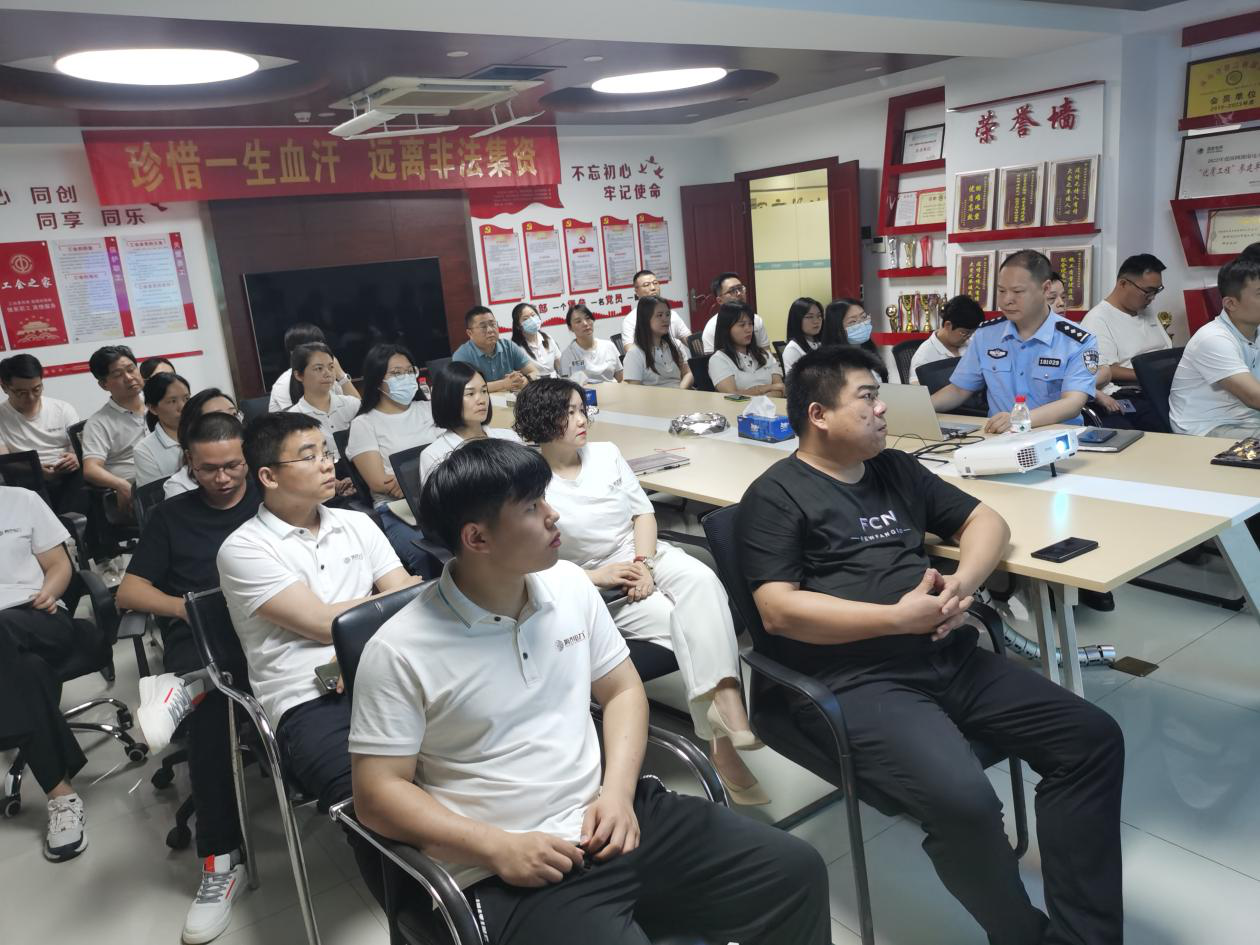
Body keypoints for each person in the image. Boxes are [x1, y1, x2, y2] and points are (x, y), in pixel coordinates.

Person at [348, 438, 830, 945]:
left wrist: (616, 793)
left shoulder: (569, 585)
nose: (553, 514)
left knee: (794, 871)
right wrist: (495, 848)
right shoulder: (400, 649)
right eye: (531, 507)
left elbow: (621, 690)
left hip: (611, 815)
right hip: (507, 862)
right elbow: (377, 795)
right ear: (477, 538)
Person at [739, 344, 1125, 945]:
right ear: (818, 414)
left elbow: (986, 521)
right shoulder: (776, 495)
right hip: (855, 680)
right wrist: (896, 619)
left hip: (945, 650)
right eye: (867, 398)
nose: (882, 410)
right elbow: (778, 611)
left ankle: (1088, 936)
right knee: (965, 803)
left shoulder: (894, 469)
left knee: (1091, 739)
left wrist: (960, 588)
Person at [513, 379, 763, 802]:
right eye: (569, 413)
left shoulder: (606, 454)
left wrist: (644, 564)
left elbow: (643, 514)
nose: (581, 420)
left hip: (645, 554)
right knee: (682, 624)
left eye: (582, 410)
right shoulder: (530, 480)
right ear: (542, 420)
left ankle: (728, 704)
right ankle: (722, 744)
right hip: (598, 582)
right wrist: (599, 576)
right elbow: (532, 562)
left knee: (703, 580)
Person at [216, 412, 419, 892]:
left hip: (387, 668)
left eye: (326, 452)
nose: (329, 464)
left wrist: (358, 638)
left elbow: (408, 602)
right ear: (268, 476)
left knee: (469, 750)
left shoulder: (356, 523)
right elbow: (322, 623)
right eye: (309, 457)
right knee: (372, 805)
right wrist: (372, 615)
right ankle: (412, 911)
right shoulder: (243, 549)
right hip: (309, 698)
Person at [118, 412, 261, 943]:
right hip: (199, 630)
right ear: (189, 465)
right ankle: (221, 862)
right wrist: (186, 607)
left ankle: (192, 687)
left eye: (233, 466)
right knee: (211, 718)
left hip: (267, 625)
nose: (222, 479)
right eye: (208, 469)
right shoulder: (171, 516)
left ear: (249, 460)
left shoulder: (271, 499)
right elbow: (129, 593)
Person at [0, 487, 88, 862]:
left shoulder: (22, 501)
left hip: (40, 615)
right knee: (28, 671)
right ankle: (61, 795)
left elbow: (59, 565)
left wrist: (50, 593)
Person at [931, 250, 1100, 432]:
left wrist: (1019, 420)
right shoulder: (986, 335)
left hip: (1056, 439)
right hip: (998, 439)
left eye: (1018, 292)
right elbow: (959, 390)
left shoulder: (1077, 341)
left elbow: (1073, 403)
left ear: (1045, 289)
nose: (1006, 300)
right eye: (1001, 291)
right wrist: (919, 407)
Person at [347, 343, 437, 574]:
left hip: (441, 496)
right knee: (427, 554)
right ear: (378, 380)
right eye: (396, 374)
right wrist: (435, 473)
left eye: (409, 371)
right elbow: (380, 483)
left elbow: (453, 455)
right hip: (397, 508)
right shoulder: (364, 423)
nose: (405, 378)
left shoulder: (429, 409)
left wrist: (408, 480)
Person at [1170, 255, 1260, 438]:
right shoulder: (1213, 339)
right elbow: (1254, 397)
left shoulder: (1255, 331)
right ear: (1231, 303)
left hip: (1248, 420)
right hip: (1209, 427)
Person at [1082, 254, 1173, 431]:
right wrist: (1152, 375)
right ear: (1123, 284)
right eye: (1148, 291)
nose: (1152, 297)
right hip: (1127, 394)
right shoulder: (1098, 319)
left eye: (1157, 291)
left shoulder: (1146, 311)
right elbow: (1108, 369)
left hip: (1160, 387)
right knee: (1167, 426)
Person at [0, 354, 83, 514]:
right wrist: (36, 470)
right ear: (4, 387)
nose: (31, 397)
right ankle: (65, 526)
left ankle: (67, 525)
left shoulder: (62, 409)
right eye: (21, 392)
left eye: (36, 389)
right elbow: (5, 461)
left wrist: (75, 458)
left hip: (69, 476)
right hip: (27, 480)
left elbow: (79, 449)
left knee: (86, 474)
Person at [419, 361, 523, 486]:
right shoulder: (435, 455)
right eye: (470, 394)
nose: (482, 400)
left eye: (484, 391)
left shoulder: (509, 437)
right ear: (448, 399)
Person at [81, 345, 148, 519]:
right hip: (139, 492)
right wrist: (121, 484)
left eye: (131, 369)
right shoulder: (99, 423)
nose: (129, 377)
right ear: (104, 384)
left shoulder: (158, 403)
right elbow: (91, 469)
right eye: (118, 375)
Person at [286, 342, 358, 498]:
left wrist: (357, 479)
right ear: (299, 375)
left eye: (331, 367)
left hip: (360, 476)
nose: (328, 373)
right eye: (319, 369)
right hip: (319, 488)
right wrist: (335, 483)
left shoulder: (352, 405)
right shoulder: (293, 418)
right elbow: (299, 465)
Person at [164, 389, 241, 499]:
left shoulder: (254, 463)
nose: (231, 424)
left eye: (234, 415)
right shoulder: (180, 487)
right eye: (217, 418)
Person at [267, 323, 357, 413]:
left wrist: (340, 374)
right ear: (293, 352)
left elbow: (357, 409)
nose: (321, 350)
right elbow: (296, 419)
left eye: (321, 345)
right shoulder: (285, 383)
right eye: (313, 347)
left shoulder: (326, 374)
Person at [452, 306, 540, 393]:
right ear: (470, 333)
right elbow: (464, 387)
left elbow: (535, 372)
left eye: (492, 324)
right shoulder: (462, 355)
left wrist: (525, 380)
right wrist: (503, 384)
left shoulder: (509, 346)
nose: (490, 330)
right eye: (483, 327)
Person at [709, 302, 784, 396]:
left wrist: (762, 397)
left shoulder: (765, 355)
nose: (748, 329)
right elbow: (732, 396)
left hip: (772, 405)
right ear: (727, 329)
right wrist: (766, 388)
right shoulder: (719, 359)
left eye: (750, 324)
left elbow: (780, 388)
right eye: (742, 325)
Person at [621, 296, 694, 388]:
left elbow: (688, 373)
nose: (665, 319)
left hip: (679, 393)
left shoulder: (676, 344)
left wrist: (680, 390)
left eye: (667, 314)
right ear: (646, 319)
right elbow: (635, 391)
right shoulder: (635, 353)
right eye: (659, 315)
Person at [133, 371, 190, 487]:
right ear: (153, 408)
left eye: (187, 398)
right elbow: (154, 495)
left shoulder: (205, 432)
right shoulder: (145, 450)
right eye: (172, 401)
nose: (183, 407)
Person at [909, 294, 983, 383]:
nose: (968, 337)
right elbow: (918, 388)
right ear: (948, 325)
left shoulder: (970, 344)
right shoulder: (924, 356)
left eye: (971, 333)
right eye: (964, 333)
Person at [701, 273, 771, 353]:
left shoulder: (756, 320)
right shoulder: (712, 328)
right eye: (732, 291)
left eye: (740, 288)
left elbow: (766, 351)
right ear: (720, 300)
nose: (739, 293)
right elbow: (711, 359)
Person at [620, 269, 690, 347]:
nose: (653, 288)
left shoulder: (671, 314)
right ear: (636, 291)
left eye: (655, 283)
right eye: (646, 285)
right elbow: (630, 350)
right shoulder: (630, 321)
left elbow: (690, 341)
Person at [557, 303, 623, 383]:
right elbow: (567, 386)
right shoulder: (568, 355)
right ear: (570, 328)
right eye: (578, 321)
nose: (585, 323)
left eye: (588, 318)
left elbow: (620, 378)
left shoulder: (609, 346)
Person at [510, 303, 559, 376]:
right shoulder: (515, 348)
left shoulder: (547, 338)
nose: (532, 320)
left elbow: (559, 365)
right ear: (518, 325)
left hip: (556, 381)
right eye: (525, 319)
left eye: (533, 315)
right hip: (534, 382)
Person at [781, 297, 824, 379]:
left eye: (819, 316)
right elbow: (796, 383)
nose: (816, 321)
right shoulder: (792, 349)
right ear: (797, 319)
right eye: (810, 317)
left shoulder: (820, 343)